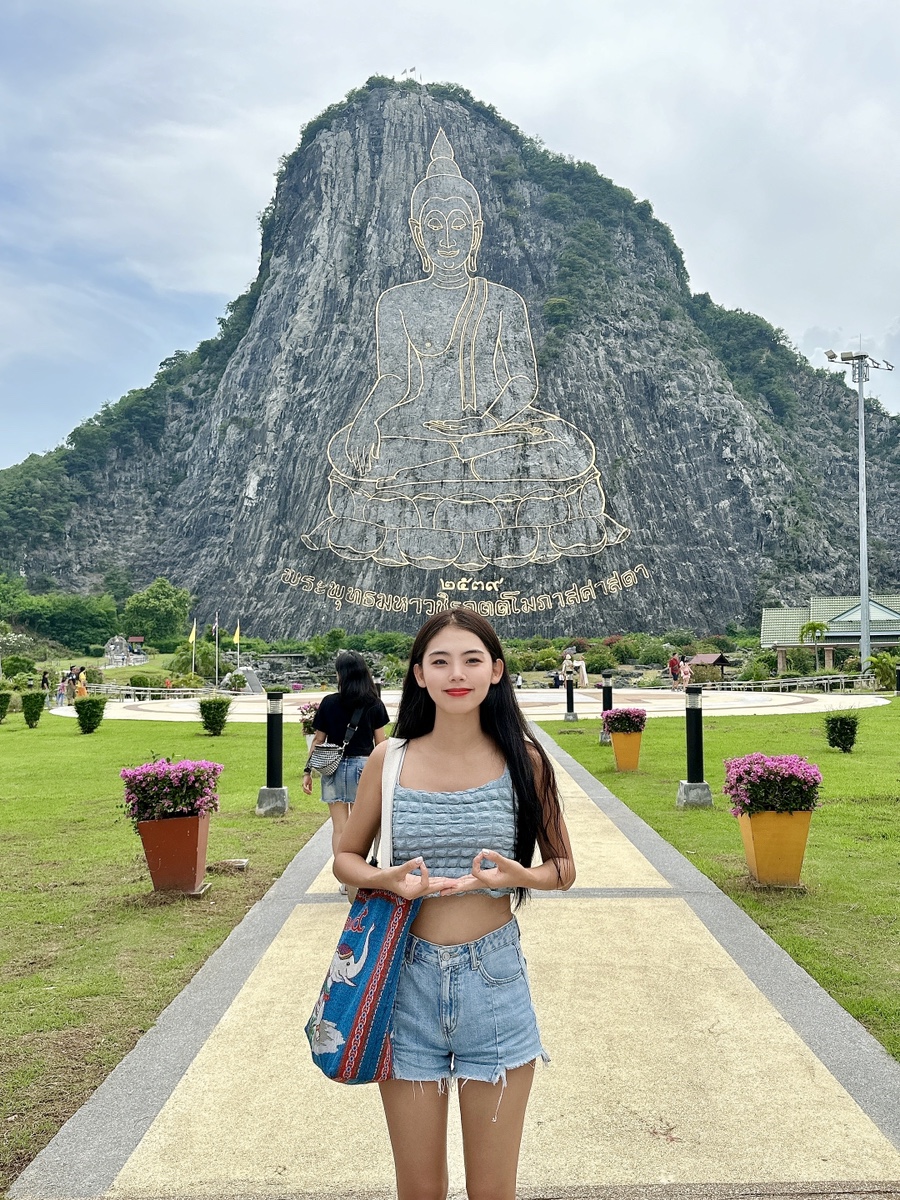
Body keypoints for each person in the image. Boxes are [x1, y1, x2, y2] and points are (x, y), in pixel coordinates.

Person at [304, 129, 628, 571]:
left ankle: (463, 475)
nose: (448, 238)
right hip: (423, 427)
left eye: (459, 224)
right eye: (435, 225)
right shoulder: (397, 301)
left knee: (567, 448)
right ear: (418, 233)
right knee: (354, 448)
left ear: (475, 232)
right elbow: (395, 378)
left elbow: (522, 381)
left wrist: (485, 423)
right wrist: (365, 421)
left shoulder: (502, 300)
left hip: (495, 428)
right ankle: (452, 477)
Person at [334, 611, 575, 1200]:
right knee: (419, 1189)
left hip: (494, 981)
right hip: (404, 979)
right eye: (440, 661)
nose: (456, 674)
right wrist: (388, 880)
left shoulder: (526, 760)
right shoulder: (388, 760)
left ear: (496, 671)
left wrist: (522, 875)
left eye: (471, 660)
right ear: (419, 674)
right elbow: (346, 859)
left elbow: (563, 867)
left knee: (492, 1189)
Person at [302, 651, 389, 867]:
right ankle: (365, 869)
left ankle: (345, 876)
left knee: (340, 827)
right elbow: (382, 744)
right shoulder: (374, 704)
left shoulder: (329, 702)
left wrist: (308, 771)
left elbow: (318, 741)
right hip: (364, 768)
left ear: (341, 675)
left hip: (333, 768)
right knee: (366, 826)